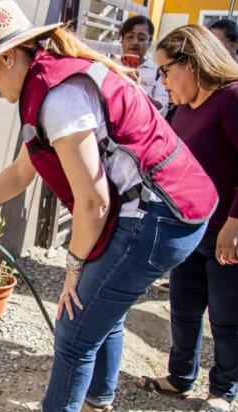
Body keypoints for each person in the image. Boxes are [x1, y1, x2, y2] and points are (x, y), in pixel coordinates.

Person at [0, 2, 217, 411]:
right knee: (103, 313)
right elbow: (23, 171)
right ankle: (98, 401)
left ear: (7, 56)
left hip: (159, 216)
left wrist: (74, 268)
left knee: (73, 331)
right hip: (180, 207)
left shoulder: (60, 97)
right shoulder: (50, 80)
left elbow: (93, 202)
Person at [136, 24, 238, 412]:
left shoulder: (231, 100)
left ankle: (223, 392)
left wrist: (235, 223)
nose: (163, 80)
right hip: (188, 230)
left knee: (226, 319)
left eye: (166, 70)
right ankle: (180, 378)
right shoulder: (182, 110)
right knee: (183, 308)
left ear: (192, 63)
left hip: (226, 232)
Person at [119, 15, 169, 115]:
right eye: (130, 37)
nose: (135, 42)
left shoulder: (158, 73)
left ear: (149, 42)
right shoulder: (109, 67)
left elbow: (162, 109)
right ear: (122, 40)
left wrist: (139, 90)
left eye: (141, 38)